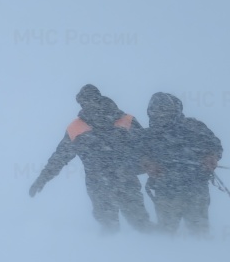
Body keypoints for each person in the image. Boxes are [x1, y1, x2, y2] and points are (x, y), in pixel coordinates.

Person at [29, 85, 153, 233]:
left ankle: (145, 249)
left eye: (89, 101)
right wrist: (42, 178)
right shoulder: (81, 127)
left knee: (126, 226)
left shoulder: (121, 120)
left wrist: (43, 179)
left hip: (111, 184)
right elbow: (59, 157)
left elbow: (146, 147)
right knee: (125, 226)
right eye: (85, 102)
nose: (89, 105)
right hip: (112, 184)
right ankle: (117, 253)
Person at [138, 92, 222, 236]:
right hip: (165, 190)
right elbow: (137, 155)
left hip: (195, 188)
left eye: (164, 110)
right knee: (165, 234)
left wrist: (212, 156)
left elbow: (214, 145)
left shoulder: (194, 127)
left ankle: (205, 256)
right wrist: (147, 163)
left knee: (199, 233)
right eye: (155, 111)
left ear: (173, 109)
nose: (160, 114)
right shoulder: (148, 135)